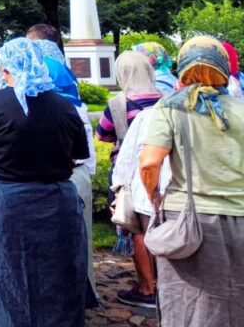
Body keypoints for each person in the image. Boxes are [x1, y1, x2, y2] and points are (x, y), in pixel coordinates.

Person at [0, 37, 90, 327]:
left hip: (8, 202)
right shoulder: (64, 106)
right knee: (58, 274)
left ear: (7, 69)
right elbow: (77, 154)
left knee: (8, 272)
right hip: (57, 200)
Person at [139, 36, 244, 326]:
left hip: (187, 220)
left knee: (185, 301)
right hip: (240, 217)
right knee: (236, 298)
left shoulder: (170, 108)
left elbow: (149, 162)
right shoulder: (241, 108)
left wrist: (154, 198)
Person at [29, 36, 99, 306]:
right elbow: (86, 153)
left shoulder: (51, 106)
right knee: (77, 241)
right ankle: (80, 296)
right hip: (74, 177)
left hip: (59, 179)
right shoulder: (75, 105)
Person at [107, 53, 164, 310]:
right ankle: (163, 283)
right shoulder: (164, 98)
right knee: (160, 224)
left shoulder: (119, 103)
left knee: (137, 229)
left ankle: (146, 287)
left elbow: (104, 133)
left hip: (129, 172)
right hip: (162, 169)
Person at [97, 52, 164, 158]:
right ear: (148, 71)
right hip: (160, 161)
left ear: (122, 73)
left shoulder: (117, 104)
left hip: (127, 164)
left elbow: (101, 135)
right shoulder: (164, 98)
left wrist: (122, 134)